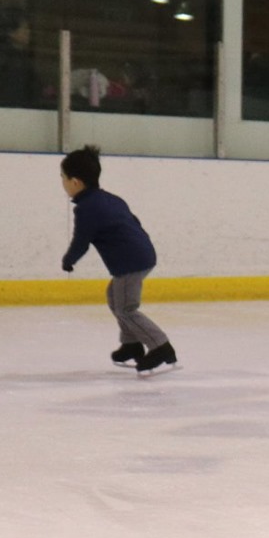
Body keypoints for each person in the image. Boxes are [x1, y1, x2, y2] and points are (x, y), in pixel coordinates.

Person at [60, 146, 176, 375]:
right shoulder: (110, 199)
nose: (62, 183)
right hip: (141, 255)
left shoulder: (86, 209)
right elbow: (135, 221)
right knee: (115, 298)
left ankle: (161, 347)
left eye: (63, 178)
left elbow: (81, 241)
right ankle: (132, 344)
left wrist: (69, 260)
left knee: (126, 308)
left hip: (130, 263)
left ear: (75, 182)